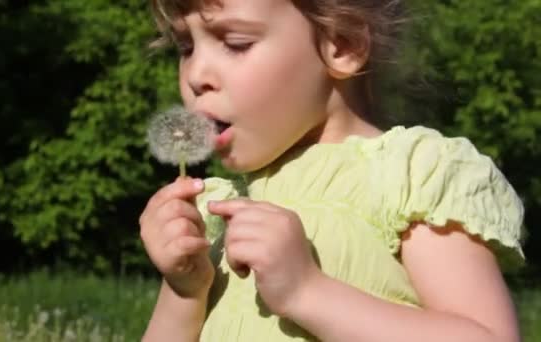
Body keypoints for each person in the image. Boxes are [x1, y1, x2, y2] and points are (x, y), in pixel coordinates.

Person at [139, 0, 526, 341]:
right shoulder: (213, 211)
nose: (194, 74)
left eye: (236, 43)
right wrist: (184, 292)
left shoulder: (413, 175)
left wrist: (308, 293)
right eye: (187, 47)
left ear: (342, 44)